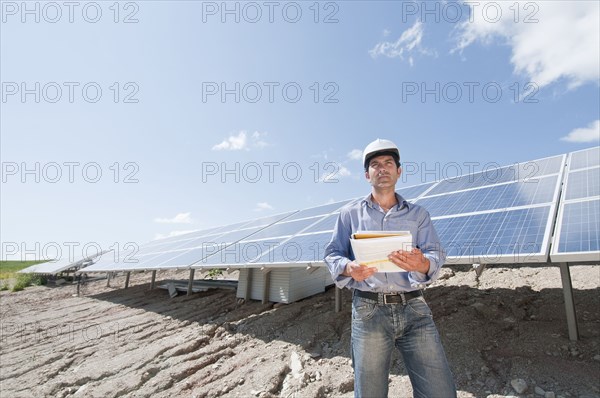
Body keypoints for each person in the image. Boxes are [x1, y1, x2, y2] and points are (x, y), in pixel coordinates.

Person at [324, 138, 456, 398]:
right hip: (368, 309)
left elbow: (435, 253)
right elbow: (332, 254)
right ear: (366, 174)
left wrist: (423, 263)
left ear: (399, 171)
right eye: (375, 164)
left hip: (415, 308)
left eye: (388, 163)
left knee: (439, 391)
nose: (382, 168)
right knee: (370, 392)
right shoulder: (349, 214)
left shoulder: (419, 215)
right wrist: (349, 268)